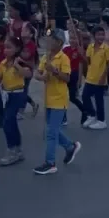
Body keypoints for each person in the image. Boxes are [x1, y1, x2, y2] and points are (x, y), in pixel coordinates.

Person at [34, 29, 82, 175]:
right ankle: (69, 147)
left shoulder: (63, 58)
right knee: (52, 129)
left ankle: (50, 162)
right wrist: (41, 77)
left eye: (51, 39)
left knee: (50, 133)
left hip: (59, 99)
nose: (48, 42)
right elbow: (38, 72)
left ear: (59, 42)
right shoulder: (46, 57)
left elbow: (67, 78)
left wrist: (54, 71)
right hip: (48, 99)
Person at [0, 36, 31, 166]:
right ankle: (17, 149)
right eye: (5, 47)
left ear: (17, 49)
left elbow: (28, 75)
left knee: (7, 122)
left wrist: (16, 66)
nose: (6, 50)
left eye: (9, 47)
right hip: (6, 95)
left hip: (17, 95)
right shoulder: (3, 63)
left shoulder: (19, 62)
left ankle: (11, 150)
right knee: (11, 122)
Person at [82, 26, 109, 130]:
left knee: (99, 100)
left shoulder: (106, 48)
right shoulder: (90, 47)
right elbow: (88, 61)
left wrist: (104, 76)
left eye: (102, 34)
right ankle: (92, 114)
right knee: (85, 96)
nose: (101, 37)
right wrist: (81, 53)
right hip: (90, 77)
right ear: (93, 36)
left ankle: (102, 121)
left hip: (100, 79)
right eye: (98, 34)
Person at [62, 32, 85, 125]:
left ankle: (84, 111)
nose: (72, 40)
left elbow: (80, 66)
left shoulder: (79, 51)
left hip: (74, 74)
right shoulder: (65, 49)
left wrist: (79, 80)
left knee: (72, 97)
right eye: (71, 38)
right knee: (63, 96)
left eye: (75, 38)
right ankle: (63, 118)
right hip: (65, 73)